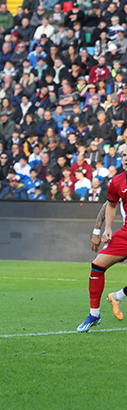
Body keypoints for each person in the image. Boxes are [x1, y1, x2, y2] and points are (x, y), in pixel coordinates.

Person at [77, 136, 127, 332]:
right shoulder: (117, 182)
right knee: (97, 265)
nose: (126, 158)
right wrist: (105, 229)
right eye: (124, 155)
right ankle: (94, 315)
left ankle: (118, 296)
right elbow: (111, 204)